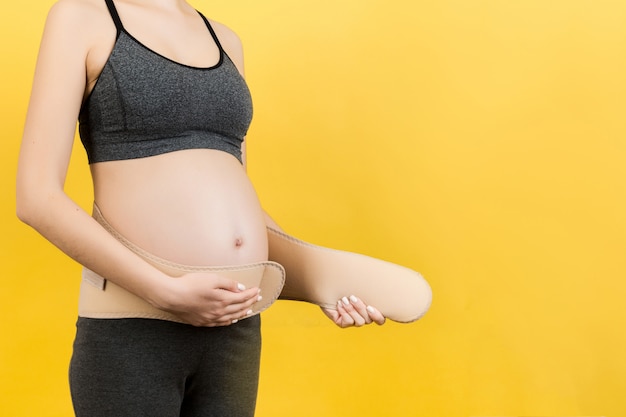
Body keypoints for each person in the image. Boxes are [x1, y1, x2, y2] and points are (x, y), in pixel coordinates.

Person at [16, 0, 388, 415]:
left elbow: (235, 194)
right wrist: (165, 292)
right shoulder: (82, 17)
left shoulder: (226, 40)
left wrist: (319, 282)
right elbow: (36, 199)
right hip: (134, 326)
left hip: (235, 328)